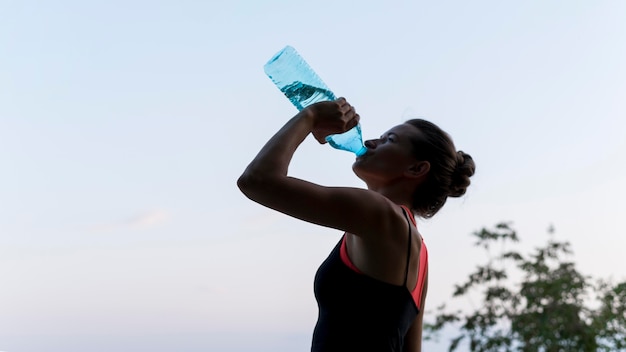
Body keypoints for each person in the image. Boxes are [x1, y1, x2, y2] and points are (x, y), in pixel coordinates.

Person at [237, 98, 475, 352]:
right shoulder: (418, 250)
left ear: (417, 169)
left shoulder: (378, 212)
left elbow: (257, 180)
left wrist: (310, 116)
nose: (371, 142)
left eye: (389, 140)